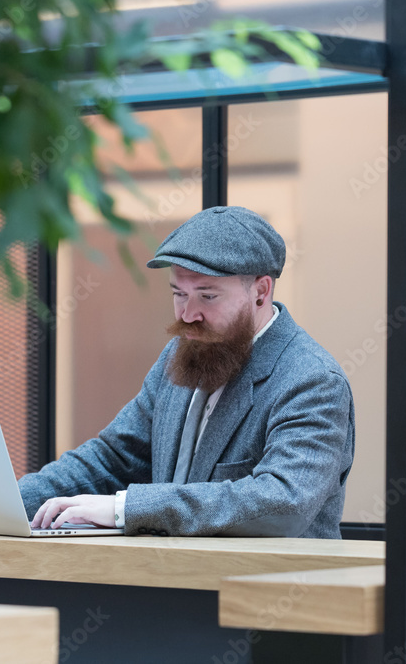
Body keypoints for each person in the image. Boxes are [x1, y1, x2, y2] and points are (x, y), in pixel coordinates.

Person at [19, 205, 355, 537]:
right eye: (179, 294)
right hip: (178, 583)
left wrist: (123, 509)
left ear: (261, 291)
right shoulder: (180, 354)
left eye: (207, 296)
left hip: (269, 589)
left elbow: (283, 502)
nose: (188, 314)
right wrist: (7, 501)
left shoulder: (312, 380)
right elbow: (111, 459)